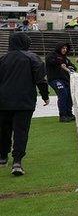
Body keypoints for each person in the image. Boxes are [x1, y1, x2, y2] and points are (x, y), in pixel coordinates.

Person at [0, 32, 50, 176]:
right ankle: (17, 161)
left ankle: (3, 156)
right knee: (21, 131)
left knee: (4, 129)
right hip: (24, 101)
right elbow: (41, 79)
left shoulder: (3, 58)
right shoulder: (32, 58)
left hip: (3, 101)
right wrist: (45, 96)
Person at [45, 42, 76, 122]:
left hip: (65, 80)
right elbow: (50, 61)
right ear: (59, 48)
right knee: (63, 93)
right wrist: (61, 64)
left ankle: (69, 114)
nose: (65, 50)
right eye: (63, 48)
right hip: (55, 79)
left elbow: (74, 68)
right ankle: (63, 116)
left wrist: (70, 66)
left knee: (69, 95)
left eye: (66, 48)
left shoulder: (65, 58)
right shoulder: (51, 55)